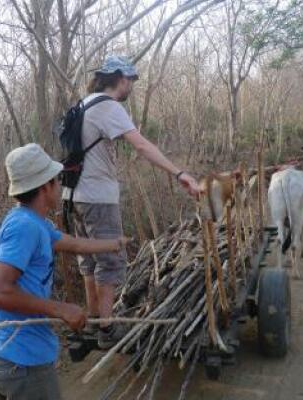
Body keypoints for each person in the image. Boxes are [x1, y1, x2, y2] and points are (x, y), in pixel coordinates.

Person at [62, 55, 201, 349]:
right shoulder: (109, 107)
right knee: (110, 261)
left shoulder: (85, 103)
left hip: (73, 195)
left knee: (88, 259)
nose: (132, 87)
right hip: (98, 198)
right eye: (131, 81)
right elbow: (141, 145)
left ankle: (93, 319)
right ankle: (107, 329)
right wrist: (180, 173)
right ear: (120, 79)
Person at [0, 143, 130, 400]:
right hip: (21, 363)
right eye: (56, 179)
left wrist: (114, 244)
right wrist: (60, 308)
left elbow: (73, 244)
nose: (60, 185)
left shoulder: (35, 222)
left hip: (18, 357)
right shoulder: (24, 227)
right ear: (44, 187)